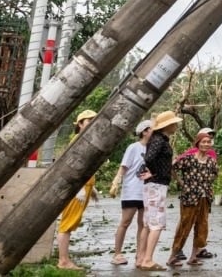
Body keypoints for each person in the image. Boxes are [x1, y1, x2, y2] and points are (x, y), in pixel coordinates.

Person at [137, 110, 182, 271]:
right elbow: (149, 158)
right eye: (174, 123)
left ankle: (141, 258)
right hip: (156, 184)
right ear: (168, 125)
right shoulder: (159, 140)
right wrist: (155, 172)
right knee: (156, 223)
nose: (176, 125)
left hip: (153, 184)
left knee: (148, 223)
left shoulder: (158, 139)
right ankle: (148, 259)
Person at [167, 132, 219, 266]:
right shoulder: (189, 158)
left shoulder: (211, 161)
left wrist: (208, 185)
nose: (206, 144)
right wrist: (181, 183)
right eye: (204, 142)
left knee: (202, 226)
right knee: (185, 226)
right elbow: (172, 167)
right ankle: (172, 257)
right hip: (190, 197)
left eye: (208, 142)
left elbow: (215, 174)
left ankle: (193, 257)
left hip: (205, 197)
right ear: (198, 143)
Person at [56, 109, 99, 270]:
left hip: (85, 185)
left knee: (72, 222)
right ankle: (63, 261)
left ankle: (65, 259)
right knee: (67, 223)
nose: (92, 123)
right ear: (80, 124)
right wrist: (78, 187)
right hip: (77, 187)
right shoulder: (77, 140)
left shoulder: (88, 140)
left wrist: (91, 187)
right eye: (89, 120)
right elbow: (72, 166)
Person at [108, 119, 152, 266]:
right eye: (152, 129)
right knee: (125, 222)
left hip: (146, 191)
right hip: (132, 190)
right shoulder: (134, 147)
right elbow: (124, 166)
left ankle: (139, 255)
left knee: (143, 224)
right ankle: (117, 253)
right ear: (145, 131)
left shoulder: (153, 149)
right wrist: (117, 181)